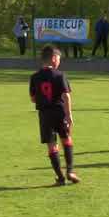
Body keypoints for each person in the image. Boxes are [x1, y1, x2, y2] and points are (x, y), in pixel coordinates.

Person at [29, 45, 81, 186]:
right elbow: (66, 96)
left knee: (52, 146)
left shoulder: (34, 77)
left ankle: (60, 178)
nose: (59, 62)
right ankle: (70, 171)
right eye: (59, 59)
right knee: (66, 139)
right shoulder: (60, 75)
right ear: (53, 58)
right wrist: (69, 114)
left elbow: (33, 98)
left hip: (45, 115)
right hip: (59, 112)